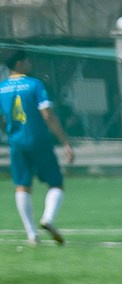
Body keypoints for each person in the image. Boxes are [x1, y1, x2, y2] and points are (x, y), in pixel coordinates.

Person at [2, 51, 73, 246]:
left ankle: (32, 235)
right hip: (39, 140)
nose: (30, 63)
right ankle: (48, 218)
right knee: (56, 183)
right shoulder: (34, 84)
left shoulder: (1, 88)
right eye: (27, 60)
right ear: (19, 63)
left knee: (22, 185)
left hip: (16, 143)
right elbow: (47, 114)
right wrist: (65, 142)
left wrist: (9, 131)